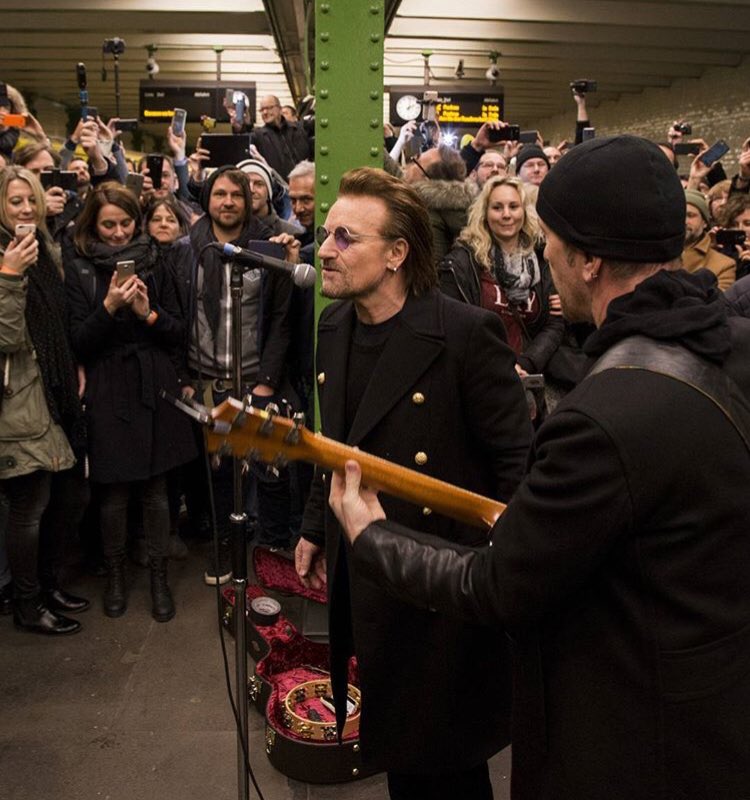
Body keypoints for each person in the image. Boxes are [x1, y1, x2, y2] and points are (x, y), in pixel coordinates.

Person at [329, 136, 750, 800]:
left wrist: (371, 536)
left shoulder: (603, 415)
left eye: (550, 239)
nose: (543, 253)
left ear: (586, 260)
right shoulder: (730, 344)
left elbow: (499, 584)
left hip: (636, 741)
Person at [295, 167, 532, 800]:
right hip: (368, 567)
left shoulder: (463, 333)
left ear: (397, 254)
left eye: (346, 238)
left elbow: (516, 464)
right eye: (327, 234)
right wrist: (316, 528)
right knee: (404, 747)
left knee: (445, 758)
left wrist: (503, 572)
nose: (325, 250)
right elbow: (338, 445)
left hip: (442, 582)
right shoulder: (333, 327)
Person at [65, 182, 196, 622]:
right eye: (108, 225)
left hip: (153, 385)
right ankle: (116, 575)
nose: (119, 234)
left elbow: (179, 332)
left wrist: (146, 313)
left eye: (124, 223)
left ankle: (158, 576)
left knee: (158, 493)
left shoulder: (156, 261)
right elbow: (77, 343)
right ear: (92, 225)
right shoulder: (80, 266)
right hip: (107, 388)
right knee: (114, 494)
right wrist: (107, 307)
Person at [0, 167, 85, 635]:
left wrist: (74, 364)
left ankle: (49, 586)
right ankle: (27, 606)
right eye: (15, 201)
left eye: (31, 200)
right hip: (20, 398)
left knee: (67, 497)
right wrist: (10, 275)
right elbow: (6, 336)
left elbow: (57, 320)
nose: (26, 210)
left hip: (55, 389)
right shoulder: (6, 258)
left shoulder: (46, 248)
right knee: (29, 507)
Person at [439, 176, 564, 382]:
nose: (507, 215)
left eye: (513, 206)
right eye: (497, 207)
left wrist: (526, 364)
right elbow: (453, 327)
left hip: (530, 375)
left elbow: (554, 326)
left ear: (524, 211)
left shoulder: (544, 258)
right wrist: (499, 366)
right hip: (479, 376)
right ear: (485, 214)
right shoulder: (462, 262)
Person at [682, 188, 736, 289]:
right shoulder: (654, 253)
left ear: (705, 222)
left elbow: (718, 303)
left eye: (690, 215)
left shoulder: (724, 265)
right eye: (679, 214)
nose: (684, 221)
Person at [251, 94, 312, 181]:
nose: (265, 112)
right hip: (280, 190)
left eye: (269, 108)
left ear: (280, 109)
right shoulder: (258, 136)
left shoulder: (298, 129)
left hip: (306, 184)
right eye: (262, 110)